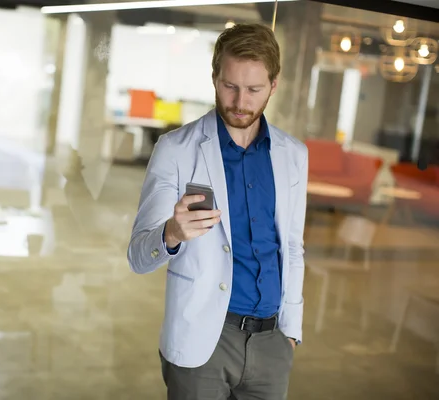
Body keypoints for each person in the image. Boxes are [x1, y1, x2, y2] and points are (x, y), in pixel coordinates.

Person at [127, 23, 308, 400]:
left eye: (254, 89)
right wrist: (172, 234)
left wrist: (291, 332)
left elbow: (291, 247)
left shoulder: (293, 156)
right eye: (230, 86)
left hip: (272, 345)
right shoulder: (176, 149)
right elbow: (138, 257)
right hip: (201, 342)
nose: (240, 101)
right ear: (214, 78)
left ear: (274, 85)